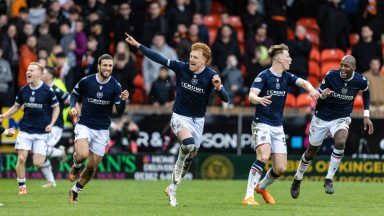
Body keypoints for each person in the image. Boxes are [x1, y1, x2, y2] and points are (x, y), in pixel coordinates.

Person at [125, 32, 229, 207]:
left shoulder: (211, 76)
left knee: (192, 154)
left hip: (198, 120)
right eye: (190, 56)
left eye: (195, 57)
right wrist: (138, 46)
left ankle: (172, 187)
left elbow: (226, 98)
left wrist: (219, 88)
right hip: (180, 116)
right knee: (187, 144)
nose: (191, 59)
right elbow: (158, 58)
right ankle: (176, 176)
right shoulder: (181, 67)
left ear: (205, 60)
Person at [242, 44, 319, 206]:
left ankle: (261, 187)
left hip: (277, 126)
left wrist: (311, 89)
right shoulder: (264, 76)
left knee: (281, 168)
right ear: (279, 59)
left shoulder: (287, 76)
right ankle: (248, 196)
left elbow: (303, 82)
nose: (290, 59)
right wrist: (259, 100)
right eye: (288, 56)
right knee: (263, 156)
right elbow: (251, 95)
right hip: (261, 123)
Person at [290, 55, 374, 199]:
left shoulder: (360, 80)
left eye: (346, 66)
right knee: (311, 152)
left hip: (341, 118)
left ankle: (329, 179)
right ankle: (297, 179)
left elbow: (366, 92)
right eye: (341, 65)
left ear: (353, 68)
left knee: (341, 141)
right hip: (322, 118)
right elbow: (318, 96)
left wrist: (366, 116)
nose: (342, 68)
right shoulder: (331, 75)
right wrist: (323, 95)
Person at [68, 54, 129, 204]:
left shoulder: (115, 85)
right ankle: (75, 166)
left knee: (92, 167)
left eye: (110, 66)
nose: (108, 68)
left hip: (102, 129)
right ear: (99, 66)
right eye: (105, 65)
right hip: (85, 125)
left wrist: (123, 101)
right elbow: (74, 95)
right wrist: (72, 107)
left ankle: (75, 191)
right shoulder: (87, 81)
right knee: (82, 154)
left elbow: (119, 111)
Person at [0, 62, 60, 195]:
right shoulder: (23, 90)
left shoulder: (48, 91)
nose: (28, 72)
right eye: (27, 70)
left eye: (32, 70)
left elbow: (56, 107)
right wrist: (3, 116)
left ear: (39, 74)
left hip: (41, 132)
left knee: (37, 162)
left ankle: (49, 156)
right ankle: (22, 187)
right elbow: (16, 107)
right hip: (26, 130)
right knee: (21, 158)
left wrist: (52, 123)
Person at [40, 66, 69, 188]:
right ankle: (51, 182)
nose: (41, 74)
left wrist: (68, 109)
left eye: (44, 72)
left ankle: (59, 152)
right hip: (42, 126)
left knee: (41, 150)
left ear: (51, 76)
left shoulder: (56, 90)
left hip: (56, 126)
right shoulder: (40, 89)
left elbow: (69, 99)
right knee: (39, 152)